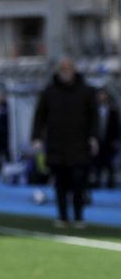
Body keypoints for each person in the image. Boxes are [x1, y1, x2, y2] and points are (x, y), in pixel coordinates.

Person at [32, 58, 97, 228]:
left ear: (74, 71)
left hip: (79, 145)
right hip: (57, 146)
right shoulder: (50, 91)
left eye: (68, 69)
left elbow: (94, 117)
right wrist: (36, 138)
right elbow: (39, 116)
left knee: (78, 182)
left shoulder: (86, 91)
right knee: (60, 183)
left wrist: (93, 137)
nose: (66, 72)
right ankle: (62, 216)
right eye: (63, 69)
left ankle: (78, 216)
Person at [91, 88, 119, 189]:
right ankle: (96, 182)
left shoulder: (112, 111)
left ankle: (110, 182)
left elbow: (116, 126)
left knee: (109, 163)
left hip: (109, 140)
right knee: (97, 163)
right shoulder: (94, 111)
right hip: (97, 141)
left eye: (104, 95)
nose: (102, 97)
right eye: (100, 95)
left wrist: (115, 140)